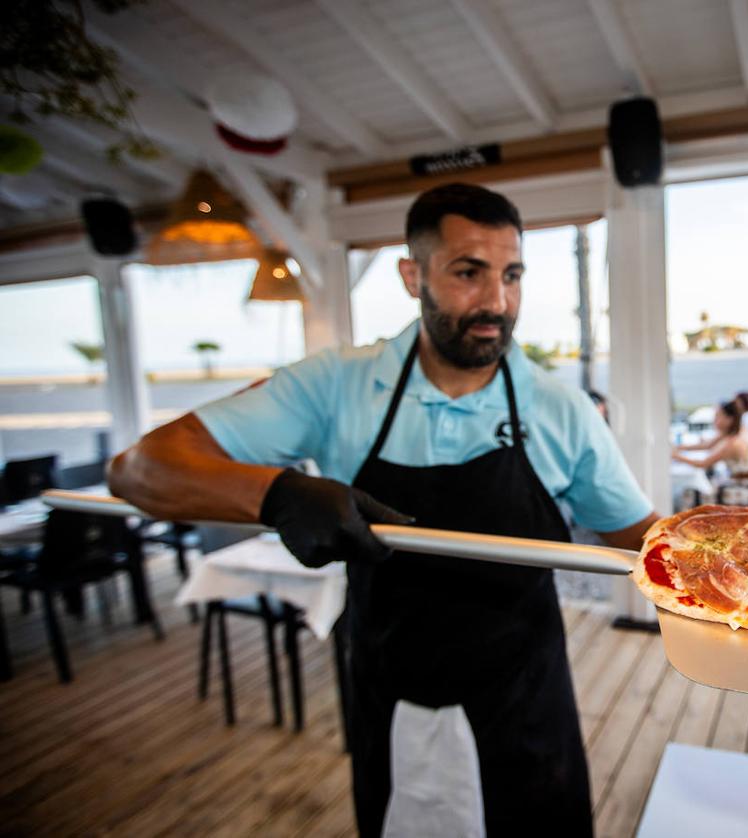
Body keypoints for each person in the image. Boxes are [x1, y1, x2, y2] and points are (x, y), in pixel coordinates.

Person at [108, 183, 658, 837]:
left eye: (511, 276)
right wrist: (277, 495)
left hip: (525, 701)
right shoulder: (334, 385)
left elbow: (641, 541)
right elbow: (139, 468)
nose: (496, 303)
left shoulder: (561, 410)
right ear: (411, 275)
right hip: (388, 691)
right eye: (468, 273)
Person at [672, 401, 748, 485]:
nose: (714, 420)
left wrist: (676, 456)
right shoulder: (736, 430)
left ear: (729, 419)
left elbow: (703, 464)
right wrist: (680, 447)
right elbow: (708, 445)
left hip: (747, 485)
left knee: (693, 491)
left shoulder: (734, 442)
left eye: (717, 416)